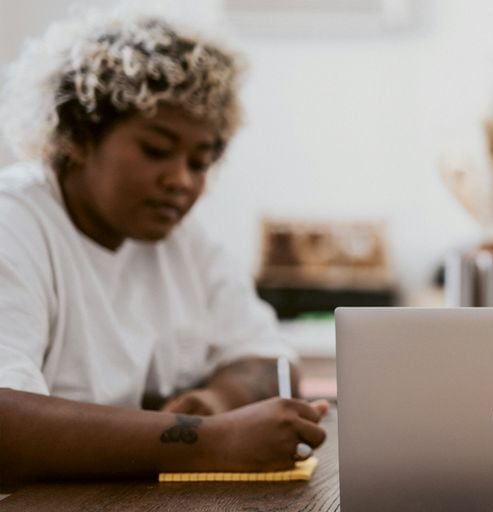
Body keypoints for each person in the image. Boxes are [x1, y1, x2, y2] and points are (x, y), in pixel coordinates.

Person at [0, 13, 327, 487]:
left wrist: (216, 400)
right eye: (156, 150)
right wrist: (209, 439)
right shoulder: (15, 223)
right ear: (78, 137)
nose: (182, 181)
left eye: (201, 161)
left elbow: (270, 360)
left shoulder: (183, 242)